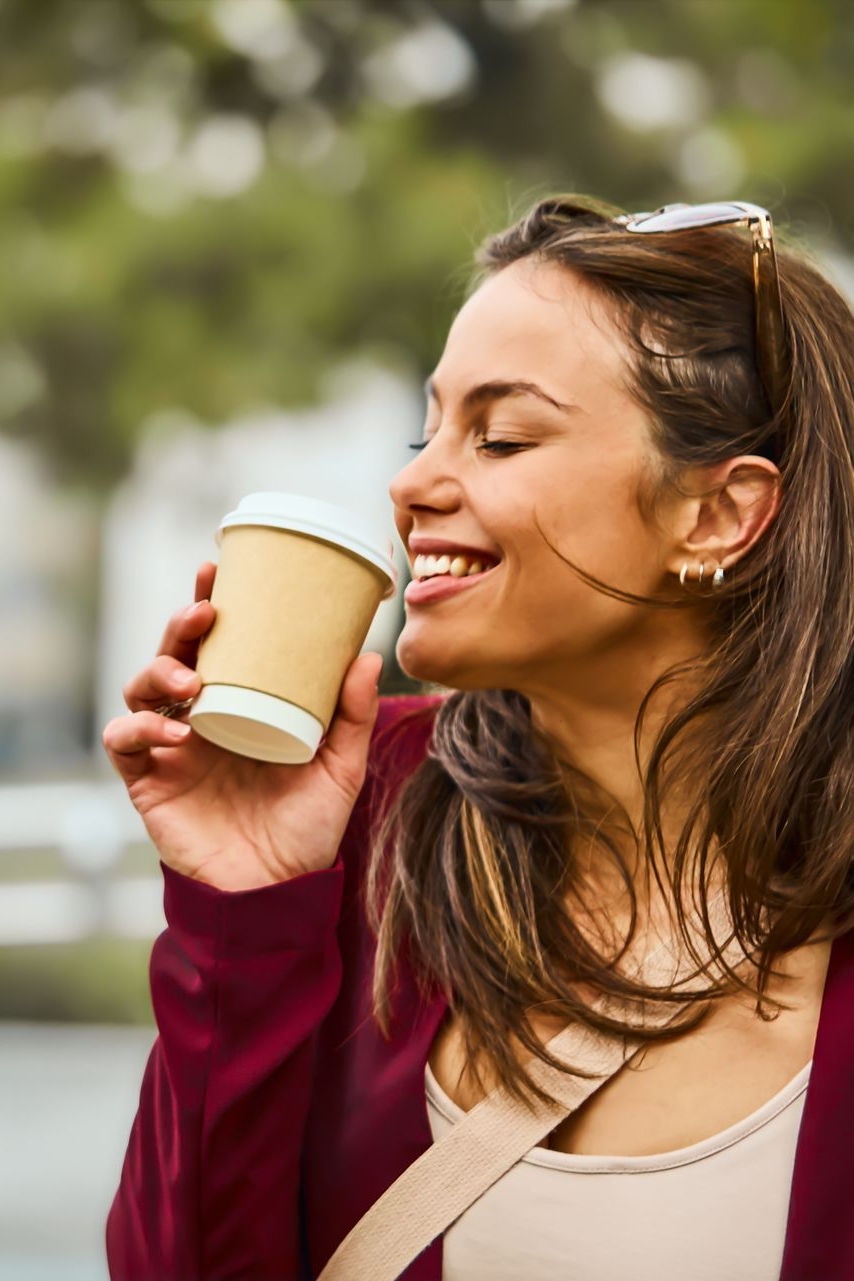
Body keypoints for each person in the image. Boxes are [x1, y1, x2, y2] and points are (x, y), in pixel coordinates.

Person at [103, 195, 854, 1281]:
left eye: (499, 437)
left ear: (717, 514)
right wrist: (244, 903)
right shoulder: (357, 816)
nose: (411, 484)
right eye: (429, 431)